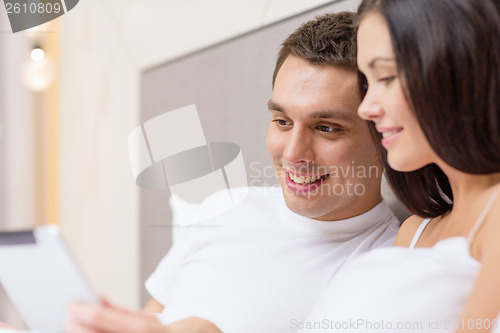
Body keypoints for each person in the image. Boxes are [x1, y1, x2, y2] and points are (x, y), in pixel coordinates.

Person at [64, 11, 400, 333]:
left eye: (326, 128)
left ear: (382, 137)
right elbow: (149, 320)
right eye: (282, 122)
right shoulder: (225, 208)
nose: (294, 153)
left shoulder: (389, 266)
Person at [300, 0, 500, 332]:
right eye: (368, 81)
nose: (366, 108)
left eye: (387, 77)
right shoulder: (414, 232)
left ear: (457, 71)